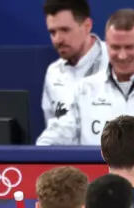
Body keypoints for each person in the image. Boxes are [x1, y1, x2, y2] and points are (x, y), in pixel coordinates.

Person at [37, 8, 134, 147]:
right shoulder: (84, 89)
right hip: (95, 178)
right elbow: (57, 136)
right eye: (115, 47)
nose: (122, 55)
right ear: (107, 44)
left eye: (129, 47)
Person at [40, 0, 105, 129]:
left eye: (65, 30)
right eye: (53, 32)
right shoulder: (53, 73)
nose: (58, 39)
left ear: (87, 26)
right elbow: (53, 130)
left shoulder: (118, 63)